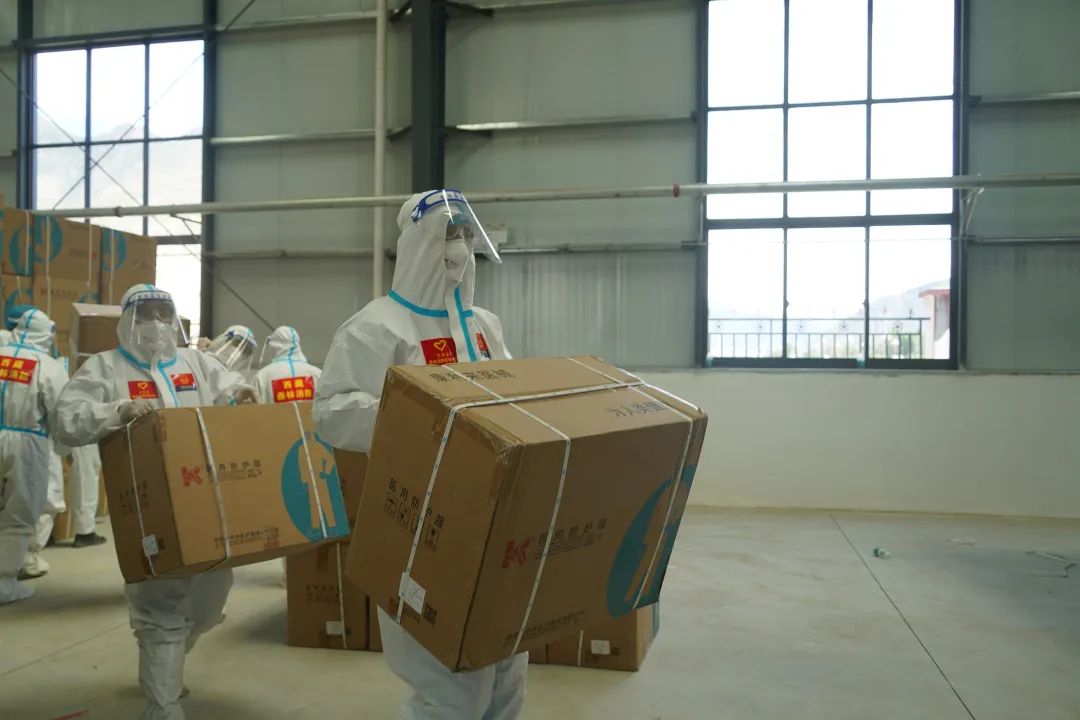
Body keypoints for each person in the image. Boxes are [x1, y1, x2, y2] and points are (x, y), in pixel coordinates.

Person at [314, 190, 523, 720]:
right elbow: (331, 412)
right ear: (417, 243)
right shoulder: (378, 326)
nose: (461, 245)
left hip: (494, 514)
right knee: (448, 691)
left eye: (465, 234)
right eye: (449, 234)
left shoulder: (484, 325)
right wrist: (414, 416)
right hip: (421, 522)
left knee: (506, 674)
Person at [54, 284, 257, 720]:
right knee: (160, 606)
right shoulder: (104, 368)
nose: (156, 322)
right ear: (128, 319)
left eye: (164, 313)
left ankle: (167, 665)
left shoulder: (194, 363)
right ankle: (162, 706)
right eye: (145, 313)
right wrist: (116, 411)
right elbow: (67, 419)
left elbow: (229, 388)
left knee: (210, 600)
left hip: (204, 500)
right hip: (145, 507)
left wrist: (240, 395)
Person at [0, 309, 68, 603]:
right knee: (20, 512)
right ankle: (4, 582)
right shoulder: (48, 366)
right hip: (27, 441)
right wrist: (64, 449)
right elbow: (61, 414)